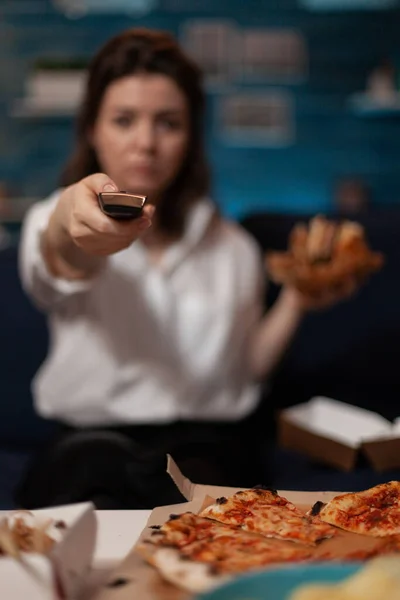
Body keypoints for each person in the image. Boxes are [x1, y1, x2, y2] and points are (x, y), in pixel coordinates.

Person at [17, 28, 358, 510]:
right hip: (88, 442)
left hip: (209, 444)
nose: (145, 143)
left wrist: (297, 300)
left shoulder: (233, 247)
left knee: (209, 494)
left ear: (190, 136)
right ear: (92, 128)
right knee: (81, 479)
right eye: (123, 120)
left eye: (168, 123)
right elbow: (61, 258)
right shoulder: (55, 218)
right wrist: (71, 223)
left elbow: (244, 371)